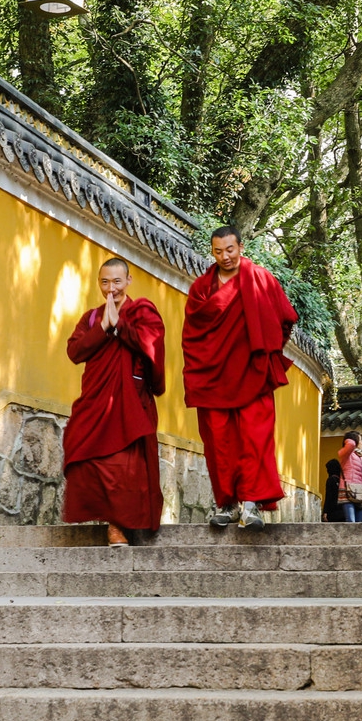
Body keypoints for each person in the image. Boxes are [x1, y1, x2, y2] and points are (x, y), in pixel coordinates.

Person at [181, 224, 298, 532]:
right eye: (218, 251)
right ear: (212, 252)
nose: (225, 257)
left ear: (241, 247)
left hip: (252, 372)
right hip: (215, 376)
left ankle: (251, 504)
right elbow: (192, 334)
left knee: (254, 438)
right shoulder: (202, 288)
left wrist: (266, 348)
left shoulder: (260, 279)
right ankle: (228, 504)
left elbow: (284, 319)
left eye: (230, 250)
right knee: (219, 442)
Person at [62, 257, 165, 546]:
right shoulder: (92, 317)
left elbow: (152, 345)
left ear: (128, 281)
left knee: (123, 465)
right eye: (105, 282)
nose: (111, 289)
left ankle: (117, 526)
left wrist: (120, 326)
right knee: (82, 449)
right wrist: (104, 327)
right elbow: (75, 351)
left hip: (129, 402)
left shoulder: (143, 311)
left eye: (117, 282)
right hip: (96, 400)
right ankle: (105, 514)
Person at [337, 430, 362, 522]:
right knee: (351, 521)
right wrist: (349, 438)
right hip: (348, 490)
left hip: (360, 491)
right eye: (360, 440)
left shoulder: (360, 456)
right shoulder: (346, 454)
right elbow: (350, 445)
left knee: (359, 523)